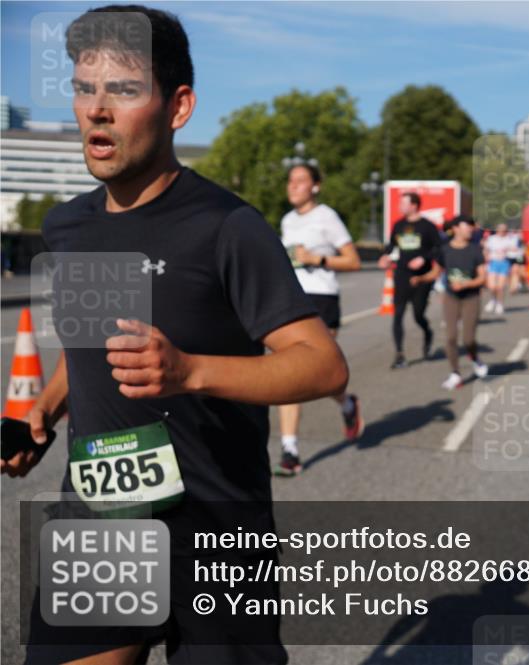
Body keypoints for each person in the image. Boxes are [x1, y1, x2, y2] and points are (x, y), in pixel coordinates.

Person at [2, 7, 348, 664]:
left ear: (178, 105)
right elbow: (92, 349)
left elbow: (323, 365)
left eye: (124, 90)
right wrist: (40, 414)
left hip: (216, 531)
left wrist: (190, 370)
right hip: (103, 521)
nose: (97, 110)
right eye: (84, 88)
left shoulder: (228, 226)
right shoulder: (68, 226)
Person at [276, 164, 364, 476]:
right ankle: (290, 448)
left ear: (316, 186)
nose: (293, 186)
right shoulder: (287, 221)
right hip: (291, 300)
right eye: (291, 180)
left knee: (321, 374)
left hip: (323, 300)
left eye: (301, 181)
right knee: (289, 375)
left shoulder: (327, 217)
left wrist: (318, 259)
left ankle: (347, 405)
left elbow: (352, 261)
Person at [378, 192, 441, 369]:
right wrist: (385, 256)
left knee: (418, 315)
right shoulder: (399, 225)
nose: (400, 206)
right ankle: (399, 354)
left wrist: (424, 258)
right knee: (398, 314)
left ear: (414, 205)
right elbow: (392, 245)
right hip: (402, 274)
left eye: (403, 203)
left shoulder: (427, 226)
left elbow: (438, 248)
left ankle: (427, 332)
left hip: (422, 277)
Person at [435, 215, 489, 390]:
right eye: (468, 225)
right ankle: (455, 373)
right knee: (450, 336)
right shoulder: (445, 249)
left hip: (470, 297)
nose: (471, 229)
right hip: (451, 297)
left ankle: (475, 358)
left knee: (468, 339)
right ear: (456, 228)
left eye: (473, 226)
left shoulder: (475, 250)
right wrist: (422, 279)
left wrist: (465, 284)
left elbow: (482, 278)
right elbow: (438, 271)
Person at [483, 222, 512, 315]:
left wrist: (508, 251)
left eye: (504, 230)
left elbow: (514, 250)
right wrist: (485, 258)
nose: (502, 232)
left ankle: (500, 304)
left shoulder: (509, 239)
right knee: (492, 286)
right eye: (500, 229)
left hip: (504, 263)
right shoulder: (492, 239)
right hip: (493, 263)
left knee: (500, 287)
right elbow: (486, 250)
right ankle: (493, 300)